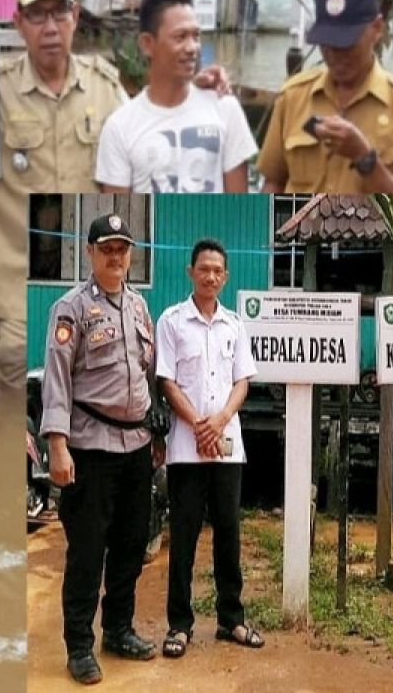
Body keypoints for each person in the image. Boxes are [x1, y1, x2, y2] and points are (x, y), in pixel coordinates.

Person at [0, 0, 230, 388]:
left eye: (59, 13)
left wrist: (190, 91)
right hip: (15, 279)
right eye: (37, 14)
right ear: (18, 23)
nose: (50, 26)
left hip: (90, 274)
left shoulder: (104, 87)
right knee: (19, 373)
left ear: (76, 16)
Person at [40, 212, 159, 685]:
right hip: (90, 447)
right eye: (106, 248)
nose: (115, 257)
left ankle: (118, 629)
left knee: (131, 546)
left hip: (136, 446)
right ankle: (80, 647)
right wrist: (57, 445)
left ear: (131, 256)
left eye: (122, 249)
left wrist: (157, 434)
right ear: (90, 252)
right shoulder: (70, 309)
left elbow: (146, 373)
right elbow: (56, 380)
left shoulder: (138, 307)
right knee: (87, 552)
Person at [154, 239, 262, 659]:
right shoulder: (172, 321)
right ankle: (179, 625)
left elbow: (242, 383)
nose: (211, 276)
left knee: (228, 535)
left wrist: (217, 423)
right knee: (183, 538)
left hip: (227, 449)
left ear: (226, 277)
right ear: (190, 272)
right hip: (185, 448)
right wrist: (198, 424)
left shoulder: (234, 324)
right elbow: (167, 381)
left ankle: (231, 619)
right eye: (204, 269)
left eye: (218, 271)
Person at [257, 0, 393, 194]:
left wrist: (364, 157)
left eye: (346, 45)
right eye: (327, 44)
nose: (334, 56)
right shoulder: (293, 96)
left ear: (377, 29)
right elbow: (273, 182)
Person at [95, 0, 255, 194]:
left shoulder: (224, 108)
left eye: (196, 36)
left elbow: (240, 209)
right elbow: (119, 216)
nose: (192, 48)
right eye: (180, 37)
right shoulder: (120, 127)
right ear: (147, 44)